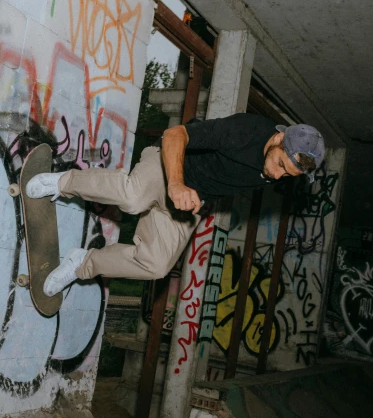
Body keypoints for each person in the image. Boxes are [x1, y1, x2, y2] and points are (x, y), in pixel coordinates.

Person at [27, 113, 325, 297]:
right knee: (133, 198)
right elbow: (175, 134)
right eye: (280, 164)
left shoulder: (281, 165)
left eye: (287, 175)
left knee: (156, 265)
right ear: (279, 137)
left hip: (190, 201)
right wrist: (176, 183)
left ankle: (82, 263)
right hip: (167, 166)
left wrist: (188, 195)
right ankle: (62, 182)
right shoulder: (245, 131)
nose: (277, 174)